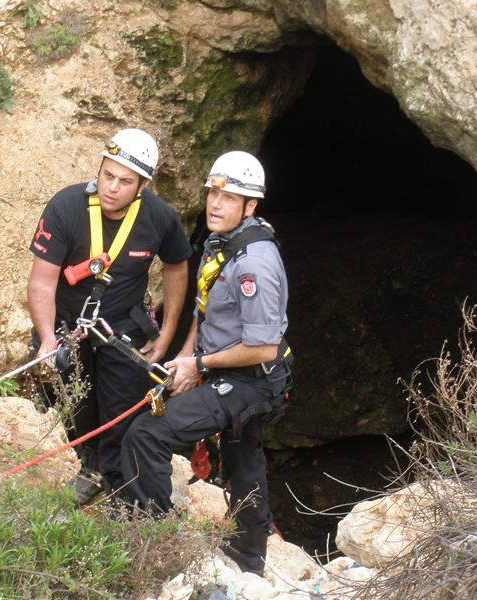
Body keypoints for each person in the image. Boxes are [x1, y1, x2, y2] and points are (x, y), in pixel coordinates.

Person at [119, 150, 292, 576]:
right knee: (243, 460)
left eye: (230, 198)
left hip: (254, 378)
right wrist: (183, 359)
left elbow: (264, 346)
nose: (216, 204)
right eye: (214, 193)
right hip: (231, 370)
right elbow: (206, 310)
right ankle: (249, 559)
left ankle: (151, 542)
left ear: (250, 206)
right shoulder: (222, 245)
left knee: (147, 433)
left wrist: (199, 365)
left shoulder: (255, 264)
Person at [27, 128, 192, 505]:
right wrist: (48, 339)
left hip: (120, 324)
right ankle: (90, 465)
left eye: (125, 181)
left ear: (143, 185)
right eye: (107, 175)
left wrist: (166, 335)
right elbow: (41, 283)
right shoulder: (66, 207)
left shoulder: (159, 218)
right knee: (78, 401)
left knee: (121, 409)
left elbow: (177, 267)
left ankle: (119, 484)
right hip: (67, 321)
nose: (112, 187)